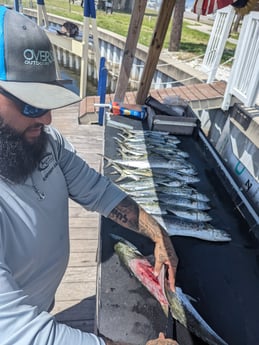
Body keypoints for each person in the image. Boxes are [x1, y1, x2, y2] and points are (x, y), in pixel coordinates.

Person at [0, 6, 178, 345]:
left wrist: (158, 235)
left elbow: (99, 192)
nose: (48, 120)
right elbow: (21, 334)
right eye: (31, 105)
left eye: (47, 102)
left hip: (35, 307)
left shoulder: (45, 144)